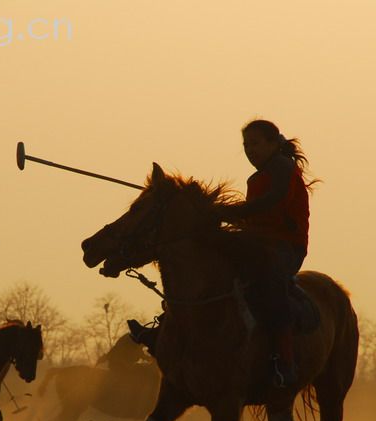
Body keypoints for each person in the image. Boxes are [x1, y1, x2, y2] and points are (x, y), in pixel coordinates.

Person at [129, 118, 314, 388]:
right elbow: (253, 217)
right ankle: (164, 328)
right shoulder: (258, 176)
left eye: (256, 144)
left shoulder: (283, 169)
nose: (250, 150)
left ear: (273, 143)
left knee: (270, 290)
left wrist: (228, 212)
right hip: (256, 242)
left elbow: (269, 204)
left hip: (284, 247)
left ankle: (285, 362)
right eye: (246, 145)